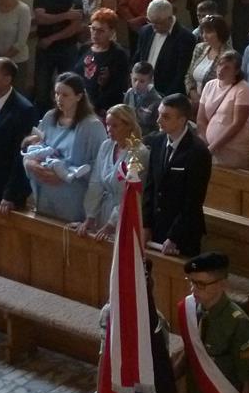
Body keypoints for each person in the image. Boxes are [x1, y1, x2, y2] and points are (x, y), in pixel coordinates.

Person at [178, 251, 249, 393]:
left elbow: (247, 382)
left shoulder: (238, 324)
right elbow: (190, 353)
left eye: (201, 284)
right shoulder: (192, 311)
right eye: (191, 282)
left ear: (222, 284)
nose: (193, 289)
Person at [25, 72, 105, 222]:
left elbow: (100, 166)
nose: (59, 98)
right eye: (57, 93)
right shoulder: (49, 117)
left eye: (65, 95)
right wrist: (32, 164)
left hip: (73, 197)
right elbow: (36, 146)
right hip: (45, 192)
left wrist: (65, 176)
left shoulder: (92, 126)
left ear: (79, 96)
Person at [143, 93, 212, 256]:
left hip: (183, 233)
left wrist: (174, 236)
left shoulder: (198, 152)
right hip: (157, 227)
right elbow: (150, 187)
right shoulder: (157, 142)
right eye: (159, 114)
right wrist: (146, 224)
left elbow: (193, 200)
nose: (158, 120)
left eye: (166, 117)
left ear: (182, 120)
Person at [78, 103, 149, 239]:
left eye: (115, 126)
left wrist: (111, 224)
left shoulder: (138, 153)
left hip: (126, 214)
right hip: (104, 210)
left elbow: (130, 193)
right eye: (107, 125)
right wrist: (90, 216)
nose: (109, 130)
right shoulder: (106, 146)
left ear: (128, 126)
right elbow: (96, 182)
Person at [0, 58, 39, 212]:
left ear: (7, 79)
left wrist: (10, 194)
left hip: (3, 191)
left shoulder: (24, 110)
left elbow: (22, 154)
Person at [196, 50, 249, 170]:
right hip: (209, 147)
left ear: (236, 71)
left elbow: (237, 124)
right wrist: (208, 143)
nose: (221, 70)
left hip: (232, 150)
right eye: (220, 65)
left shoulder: (243, 88)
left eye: (227, 67)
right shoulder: (210, 85)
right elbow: (201, 119)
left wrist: (214, 146)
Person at [133, 0, 197, 98]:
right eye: (151, 22)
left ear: (170, 19)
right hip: (142, 93)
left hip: (167, 95)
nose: (153, 27)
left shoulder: (185, 38)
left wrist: (165, 99)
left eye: (158, 23)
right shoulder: (146, 31)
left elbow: (181, 74)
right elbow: (137, 59)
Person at [76, 8, 132, 116]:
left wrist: (95, 106)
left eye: (101, 31)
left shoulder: (118, 54)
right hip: (80, 103)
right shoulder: (84, 48)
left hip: (104, 110)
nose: (95, 33)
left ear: (111, 32)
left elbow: (119, 86)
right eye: (93, 28)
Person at [123, 61, 162, 132]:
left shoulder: (157, 101)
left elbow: (157, 128)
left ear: (150, 81)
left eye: (142, 81)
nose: (137, 84)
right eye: (135, 80)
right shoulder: (129, 93)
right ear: (131, 76)